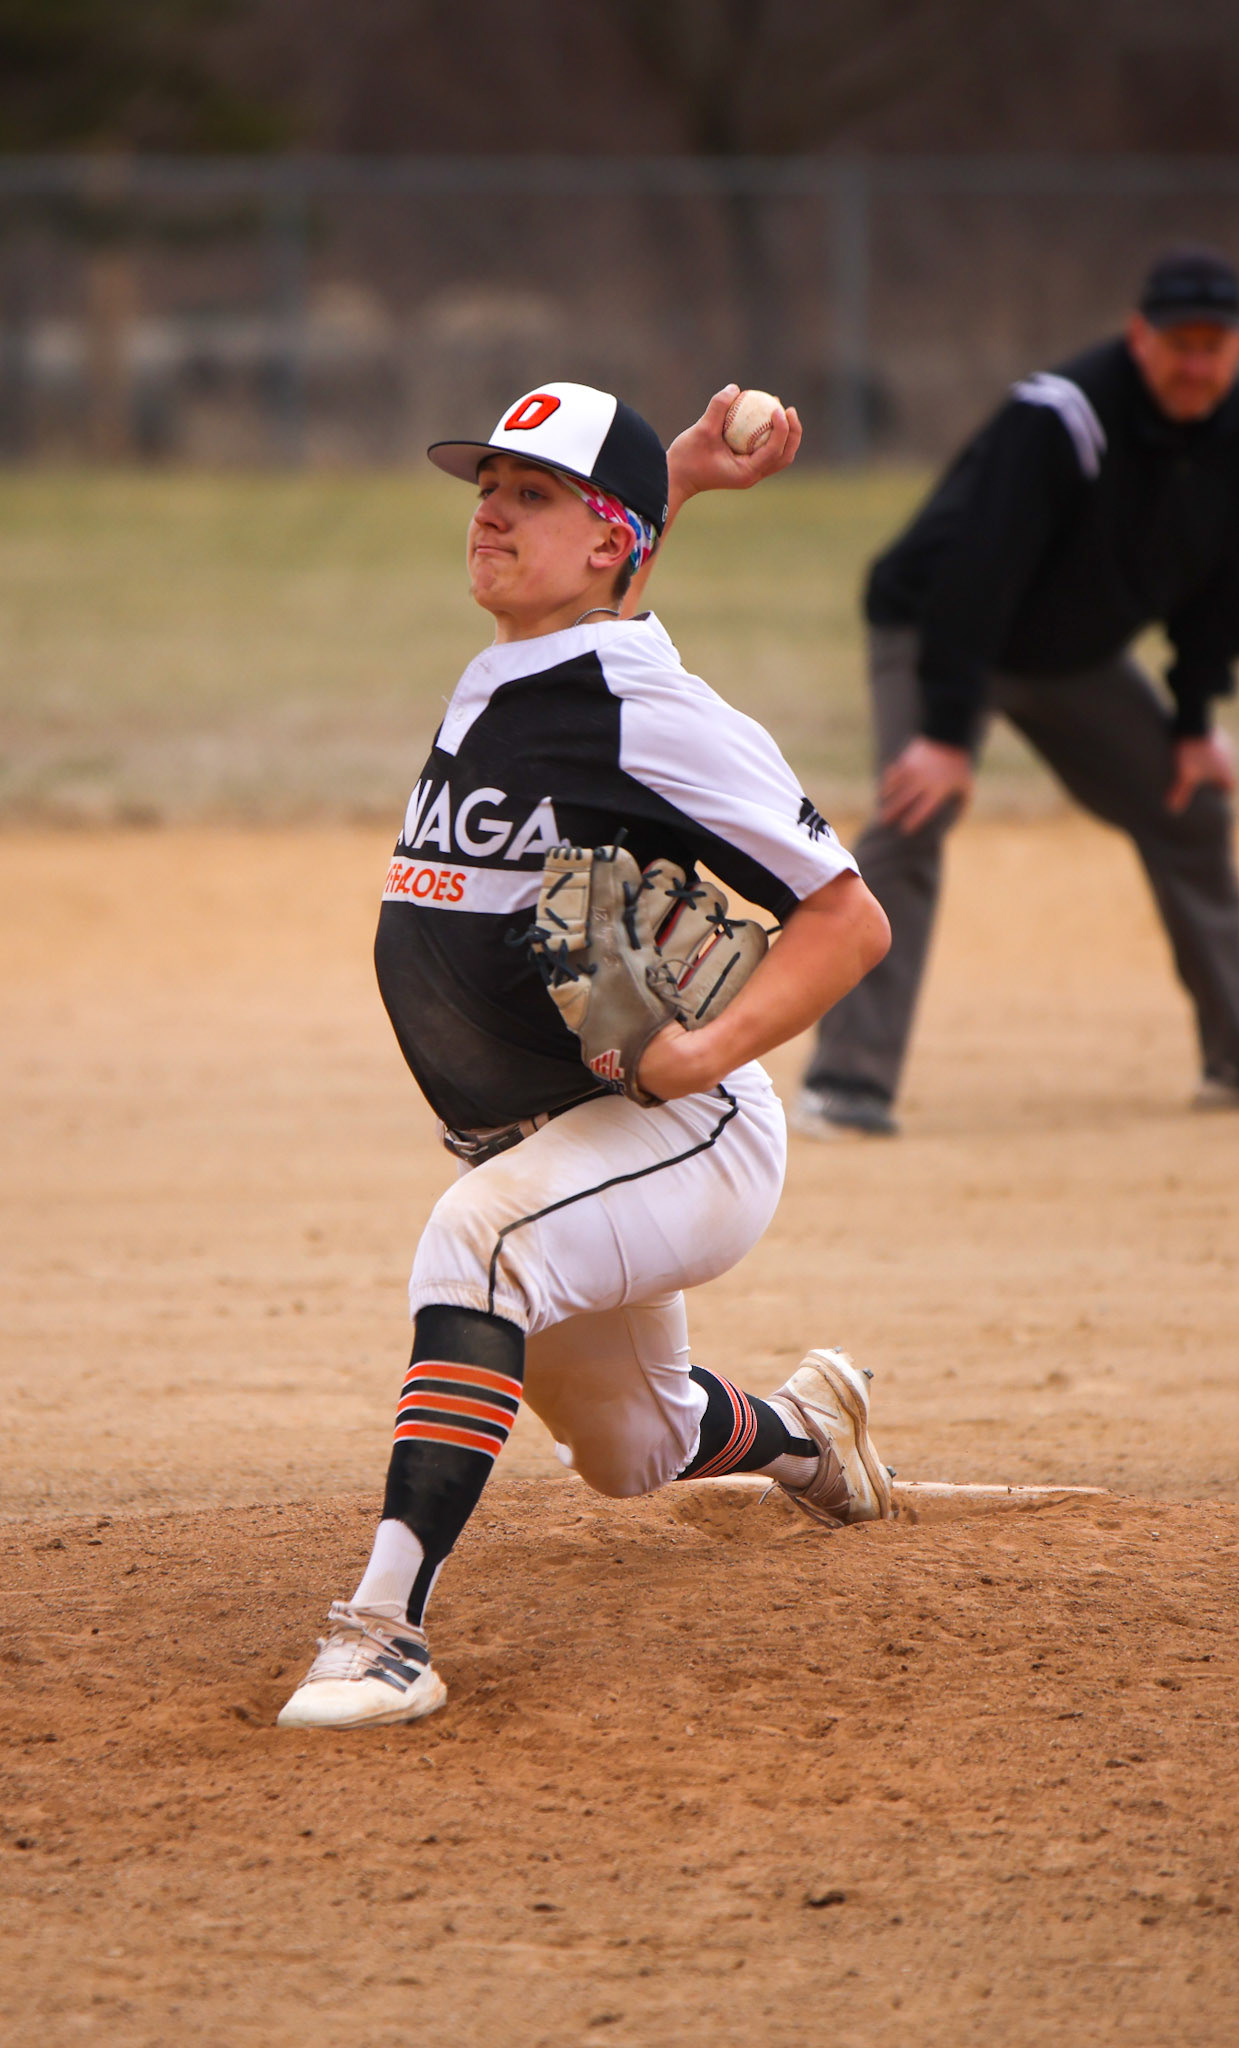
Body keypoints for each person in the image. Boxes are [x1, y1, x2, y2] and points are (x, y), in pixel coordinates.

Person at [277, 380, 894, 1730]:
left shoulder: (646, 708)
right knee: (635, 1449)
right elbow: (606, 594)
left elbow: (850, 919)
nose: (490, 513)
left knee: (479, 1241)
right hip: (553, 1138)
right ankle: (810, 1431)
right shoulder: (529, 655)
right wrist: (676, 476)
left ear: (609, 539)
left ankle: (384, 1633)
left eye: (532, 494)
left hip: (682, 1131)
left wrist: (704, 1050)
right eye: (488, 487)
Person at [795, 247, 1239, 1138]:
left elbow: (1225, 598)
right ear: (1139, 337)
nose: (1195, 364)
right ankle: (846, 1082)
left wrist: (1193, 721)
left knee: (1190, 806)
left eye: (1213, 346)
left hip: (1069, 655)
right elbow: (977, 574)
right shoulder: (1061, 417)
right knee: (915, 810)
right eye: (1178, 343)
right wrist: (944, 734)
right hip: (939, 627)